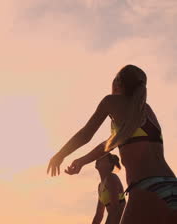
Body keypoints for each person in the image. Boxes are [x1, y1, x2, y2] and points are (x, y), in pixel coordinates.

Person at [47, 65, 177, 223]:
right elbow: (109, 143)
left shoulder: (111, 102)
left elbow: (86, 134)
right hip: (171, 184)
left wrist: (60, 155)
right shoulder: (145, 111)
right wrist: (82, 161)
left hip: (146, 187)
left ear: (117, 83)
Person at [88, 154, 126, 224]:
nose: (98, 159)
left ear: (110, 164)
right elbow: (99, 215)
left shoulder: (111, 178)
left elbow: (115, 209)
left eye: (102, 158)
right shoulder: (100, 186)